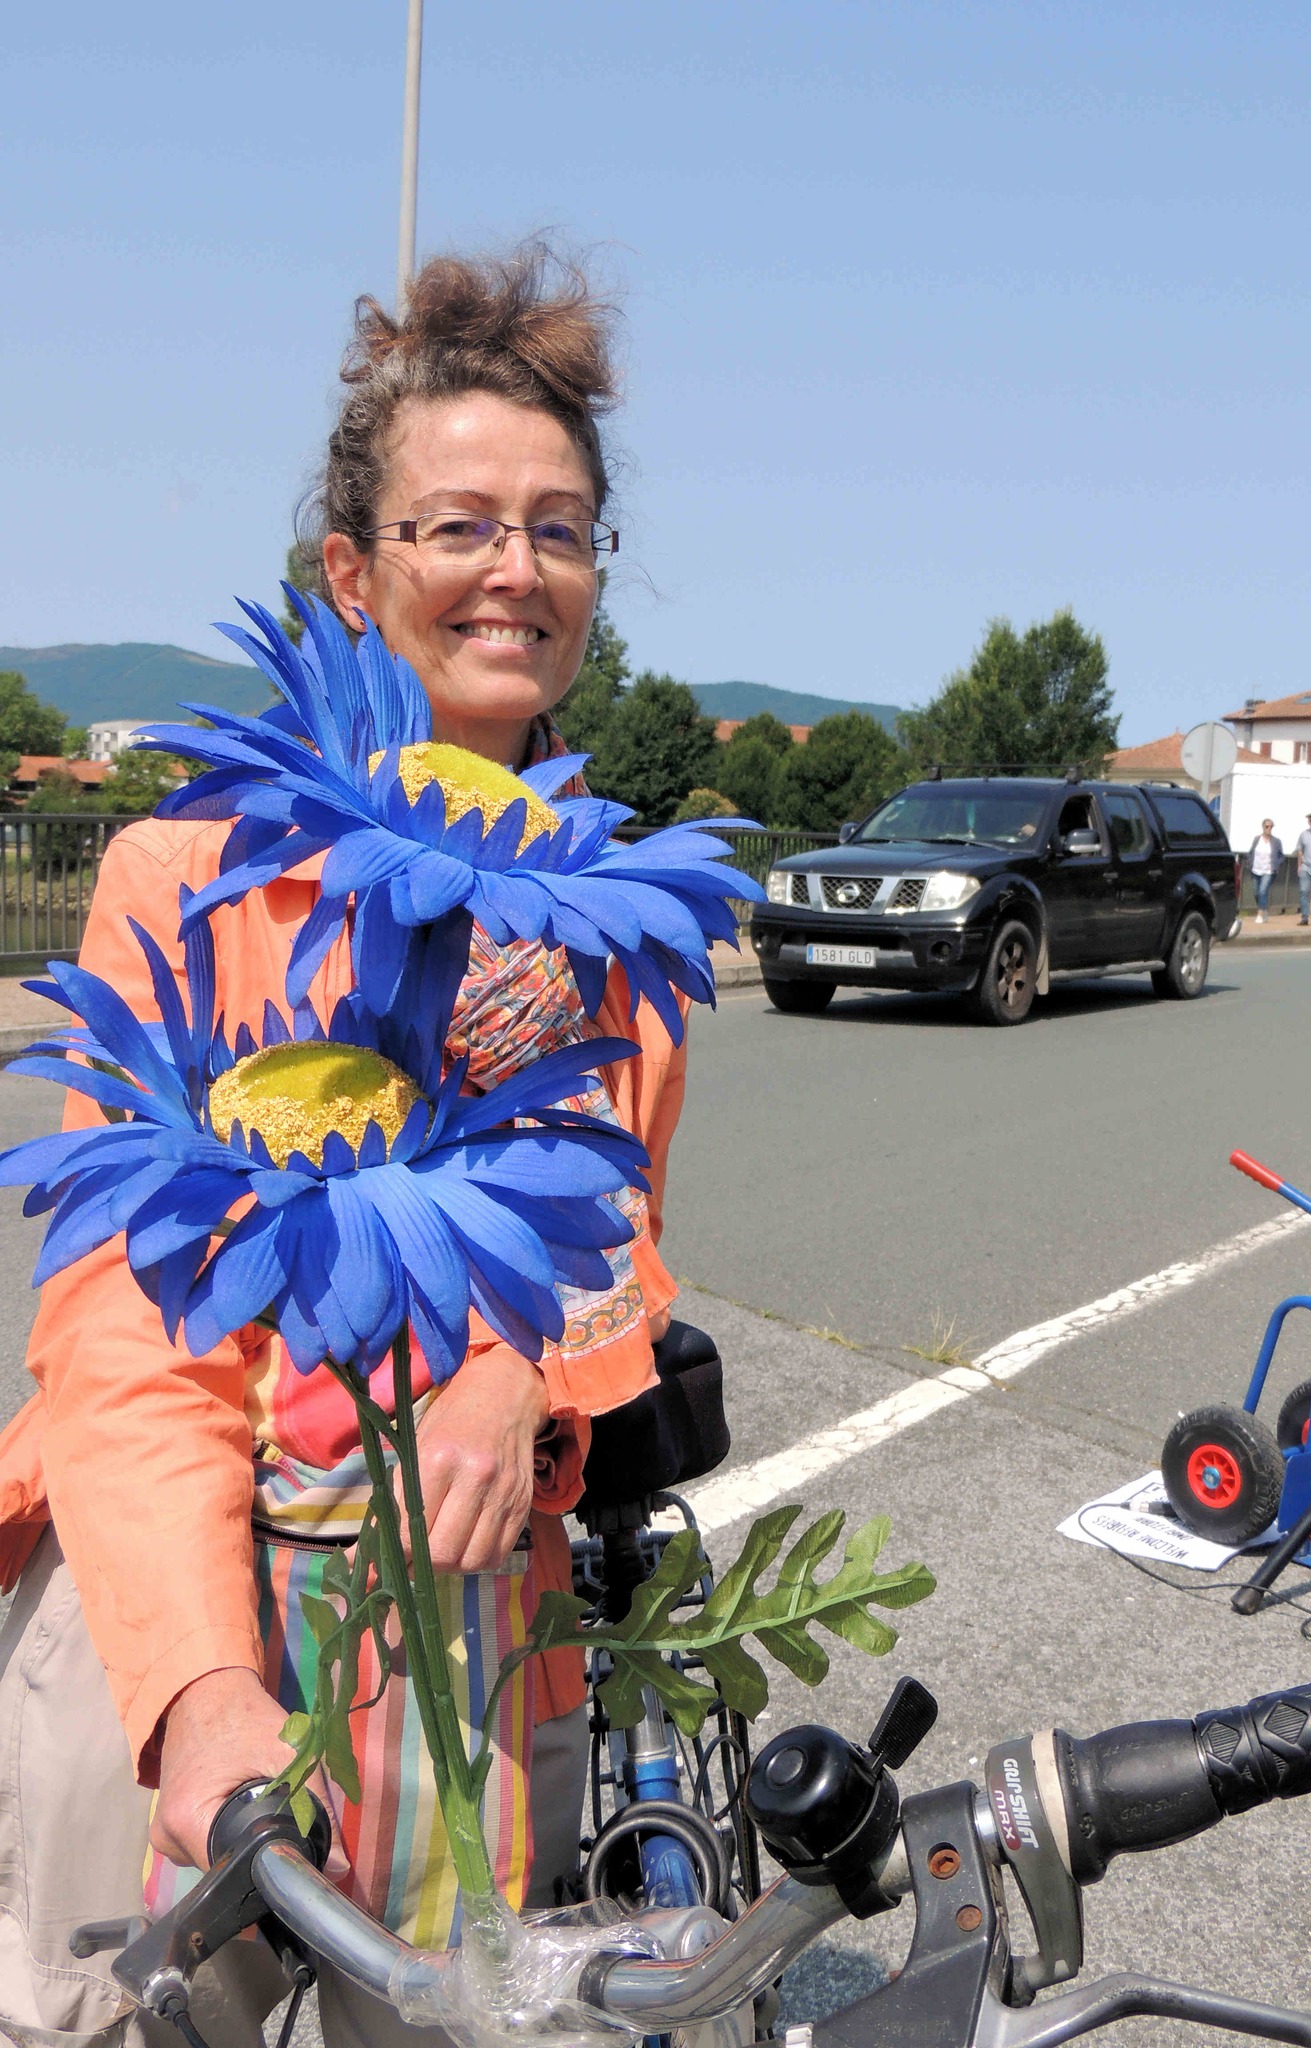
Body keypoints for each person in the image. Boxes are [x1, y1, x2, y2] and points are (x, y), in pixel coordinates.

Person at [0, 247, 690, 2048]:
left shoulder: (615, 928)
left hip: (475, 1615)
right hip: (189, 1610)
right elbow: (124, 1335)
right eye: (457, 522)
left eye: (559, 527)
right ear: (352, 570)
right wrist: (205, 1687)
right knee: (133, 2013)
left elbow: (607, 1255)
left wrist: (515, 1369)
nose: (514, 568)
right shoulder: (193, 875)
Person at [1247, 817, 1284, 923]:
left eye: (1271, 826)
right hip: (1255, 869)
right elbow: (1251, 852)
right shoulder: (1257, 839)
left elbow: (1281, 855)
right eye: (1267, 826)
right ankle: (1264, 909)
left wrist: (1276, 864)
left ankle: (1260, 914)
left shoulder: (1276, 841)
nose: (1269, 828)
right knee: (1256, 892)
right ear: (1263, 827)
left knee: (1263, 891)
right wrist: (1249, 862)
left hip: (1268, 870)